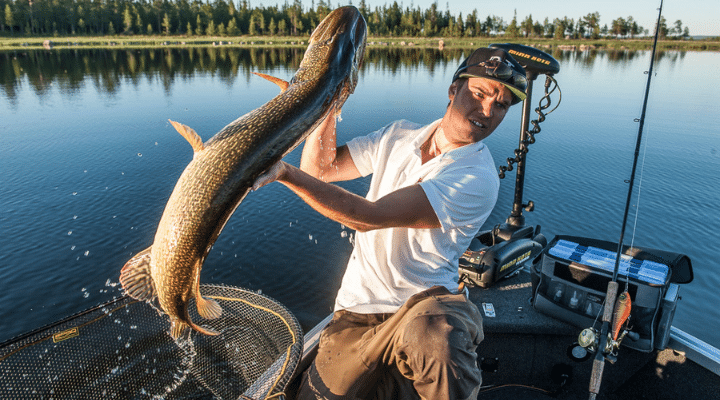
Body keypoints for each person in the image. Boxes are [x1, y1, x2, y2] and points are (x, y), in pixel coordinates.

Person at [253, 47, 527, 400]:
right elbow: (321, 169)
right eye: (480, 93)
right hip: (357, 309)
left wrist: (284, 173)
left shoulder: (478, 177)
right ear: (453, 90)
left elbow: (370, 218)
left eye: (501, 104)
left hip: (425, 302)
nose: (487, 111)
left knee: (438, 340)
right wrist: (325, 107)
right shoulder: (398, 135)